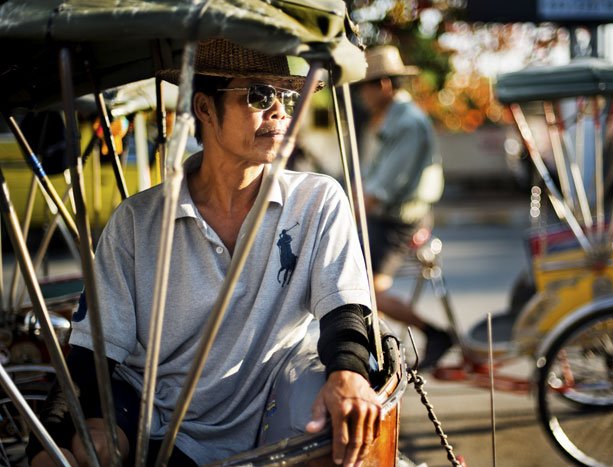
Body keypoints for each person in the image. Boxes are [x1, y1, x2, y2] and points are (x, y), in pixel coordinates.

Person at [28, 39, 380, 466]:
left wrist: (349, 373)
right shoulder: (137, 221)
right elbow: (91, 357)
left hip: (263, 406)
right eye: (259, 95)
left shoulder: (316, 200)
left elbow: (344, 310)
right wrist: (46, 443)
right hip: (146, 411)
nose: (280, 111)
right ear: (205, 108)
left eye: (286, 97)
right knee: (87, 449)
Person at [356, 45, 452, 369]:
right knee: (357, 287)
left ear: (383, 85)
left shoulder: (406, 123)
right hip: (388, 217)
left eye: (364, 87)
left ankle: (434, 332)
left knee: (364, 292)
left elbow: (381, 189)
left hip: (398, 221)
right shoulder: (390, 119)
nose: (361, 96)